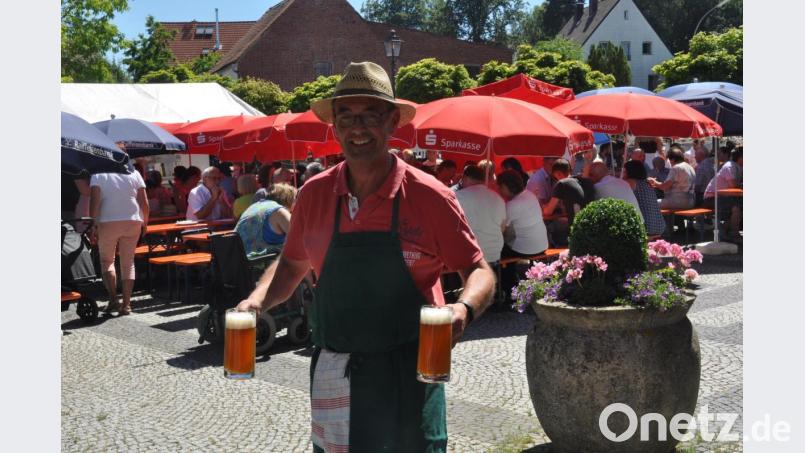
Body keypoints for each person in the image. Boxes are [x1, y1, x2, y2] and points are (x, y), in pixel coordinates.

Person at [236, 61, 494, 452]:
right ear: (335, 127)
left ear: (392, 121)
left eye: (370, 115)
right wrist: (256, 302)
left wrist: (465, 309)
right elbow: (291, 264)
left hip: (410, 374)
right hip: (335, 371)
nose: (357, 128)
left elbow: (478, 270)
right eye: (346, 117)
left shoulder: (429, 196)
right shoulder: (314, 194)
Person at [89, 168, 149, 315]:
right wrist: (145, 223)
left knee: (107, 260)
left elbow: (94, 201)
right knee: (128, 262)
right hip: (133, 219)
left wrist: (92, 224)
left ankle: (114, 300)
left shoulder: (98, 172)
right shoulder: (134, 173)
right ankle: (127, 305)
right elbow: (144, 202)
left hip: (107, 220)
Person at [455, 164, 506, 264]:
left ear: (465, 178)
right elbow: (502, 228)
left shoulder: (456, 197)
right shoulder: (498, 198)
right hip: (493, 254)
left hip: (468, 257)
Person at [541, 158, 595, 243]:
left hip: (576, 230)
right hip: (592, 226)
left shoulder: (562, 183)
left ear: (558, 173)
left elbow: (548, 212)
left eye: (555, 177)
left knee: (549, 228)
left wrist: (544, 207)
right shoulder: (584, 181)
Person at [234, 183, 296, 257]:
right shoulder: (279, 211)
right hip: (260, 264)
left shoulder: (253, 206)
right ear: (289, 199)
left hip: (237, 261)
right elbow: (299, 238)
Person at [703, 146, 743, 242]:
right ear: (741, 157)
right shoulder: (729, 166)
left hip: (724, 197)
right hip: (712, 198)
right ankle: (733, 234)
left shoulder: (737, 167)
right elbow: (733, 186)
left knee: (740, 206)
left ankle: (726, 229)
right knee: (736, 208)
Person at [622, 161, 666, 236]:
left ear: (630, 172)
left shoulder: (631, 182)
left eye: (625, 171)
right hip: (660, 225)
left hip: (646, 226)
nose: (623, 174)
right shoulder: (647, 183)